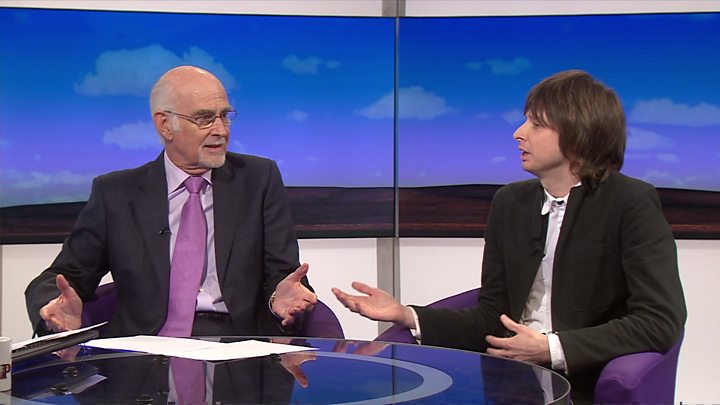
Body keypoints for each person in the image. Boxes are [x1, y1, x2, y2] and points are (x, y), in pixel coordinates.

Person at [333, 70, 687, 402]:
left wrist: (551, 348)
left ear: (578, 131)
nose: (519, 133)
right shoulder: (510, 202)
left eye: (536, 124)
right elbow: (492, 315)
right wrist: (406, 314)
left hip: (581, 379)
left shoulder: (630, 202)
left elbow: (659, 320)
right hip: (508, 375)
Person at [26, 65, 317, 339]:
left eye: (225, 115)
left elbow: (283, 274)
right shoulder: (115, 193)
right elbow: (64, 276)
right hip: (144, 349)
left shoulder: (258, 179)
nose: (221, 130)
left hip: (236, 343)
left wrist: (280, 298)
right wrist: (53, 309)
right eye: (205, 118)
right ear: (165, 125)